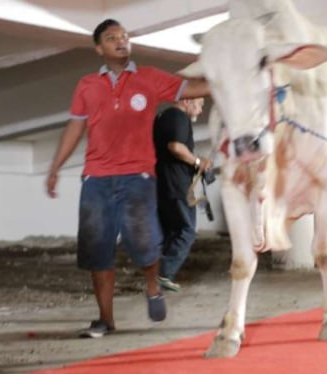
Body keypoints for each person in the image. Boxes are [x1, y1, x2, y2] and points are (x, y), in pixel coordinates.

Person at [45, 19, 209, 338]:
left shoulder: (149, 78)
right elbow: (75, 128)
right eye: (111, 38)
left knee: (145, 244)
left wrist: (233, 72)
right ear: (99, 48)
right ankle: (105, 319)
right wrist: (54, 167)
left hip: (139, 178)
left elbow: (194, 89)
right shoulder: (87, 85)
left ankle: (152, 288)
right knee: (97, 250)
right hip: (96, 180)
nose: (120, 41)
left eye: (124, 36)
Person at [153, 98, 212, 292]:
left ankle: (157, 274)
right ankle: (162, 274)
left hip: (164, 181)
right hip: (177, 184)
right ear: (186, 100)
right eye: (200, 103)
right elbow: (176, 147)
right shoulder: (178, 117)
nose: (201, 108)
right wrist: (197, 162)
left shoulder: (163, 117)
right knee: (186, 230)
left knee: (171, 231)